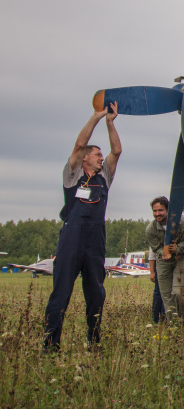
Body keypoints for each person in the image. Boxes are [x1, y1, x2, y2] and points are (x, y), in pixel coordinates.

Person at [43, 102, 121, 352]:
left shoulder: (104, 177)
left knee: (96, 293)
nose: (102, 158)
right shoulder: (73, 174)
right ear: (85, 158)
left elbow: (117, 151)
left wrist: (110, 123)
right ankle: (50, 344)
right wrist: (97, 116)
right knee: (61, 293)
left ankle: (93, 339)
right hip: (71, 239)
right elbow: (78, 145)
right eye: (97, 154)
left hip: (95, 241)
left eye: (101, 155)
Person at [145, 197, 184, 323]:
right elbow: (156, 248)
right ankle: (172, 322)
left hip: (181, 258)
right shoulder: (150, 229)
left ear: (168, 210)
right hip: (163, 261)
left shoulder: (182, 222)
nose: (157, 214)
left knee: (178, 291)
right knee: (166, 294)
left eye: (160, 210)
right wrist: (165, 252)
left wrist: (177, 248)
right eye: (155, 211)